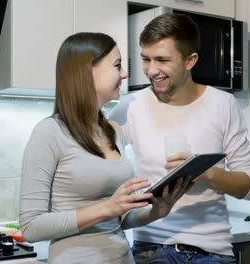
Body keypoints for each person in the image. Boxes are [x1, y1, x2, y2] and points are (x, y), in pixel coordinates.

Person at [19, 32, 191, 264]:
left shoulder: (112, 130)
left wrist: (156, 212)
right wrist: (106, 207)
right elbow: (32, 227)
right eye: (117, 65)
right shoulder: (49, 132)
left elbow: (118, 217)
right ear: (87, 70)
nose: (124, 73)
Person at [109, 13, 250, 263]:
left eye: (162, 60)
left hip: (212, 251)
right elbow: (95, 161)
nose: (151, 70)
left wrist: (205, 172)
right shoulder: (130, 106)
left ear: (190, 60)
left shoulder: (223, 104)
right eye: (145, 59)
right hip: (152, 247)